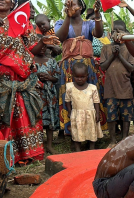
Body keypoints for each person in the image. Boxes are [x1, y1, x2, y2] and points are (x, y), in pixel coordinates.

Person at [0, 0, 60, 163]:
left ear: (12, 4)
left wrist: (43, 42)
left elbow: (33, 48)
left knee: (23, 114)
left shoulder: (21, 21)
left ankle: (24, 155)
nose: (0, 0)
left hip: (21, 78)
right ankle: (2, 155)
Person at [55, 0, 107, 136]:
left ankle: (92, 132)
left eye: (72, 4)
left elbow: (99, 33)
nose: (69, 6)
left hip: (87, 66)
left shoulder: (88, 24)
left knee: (89, 98)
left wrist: (97, 14)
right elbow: (60, 37)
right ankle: (72, 133)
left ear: (81, 6)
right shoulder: (60, 22)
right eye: (67, 4)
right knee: (71, 99)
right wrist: (68, 15)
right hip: (68, 67)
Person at [100, 20, 134, 146]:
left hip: (125, 88)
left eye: (120, 31)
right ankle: (112, 140)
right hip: (110, 89)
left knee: (126, 116)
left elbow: (131, 68)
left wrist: (119, 56)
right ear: (110, 34)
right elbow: (103, 67)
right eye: (114, 31)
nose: (117, 34)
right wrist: (113, 55)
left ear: (125, 33)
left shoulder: (129, 48)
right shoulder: (106, 48)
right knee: (111, 116)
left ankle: (124, 139)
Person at [65, 62, 103, 152]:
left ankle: (91, 149)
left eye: (82, 77)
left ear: (87, 75)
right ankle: (78, 150)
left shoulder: (92, 88)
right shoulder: (70, 87)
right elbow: (67, 100)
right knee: (77, 131)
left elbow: (96, 101)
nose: (80, 79)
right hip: (76, 114)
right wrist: (70, 112)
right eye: (77, 77)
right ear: (73, 75)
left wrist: (97, 113)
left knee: (91, 130)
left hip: (90, 114)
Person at [34, 43, 61, 155]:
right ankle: (38, 147)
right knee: (37, 120)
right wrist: (36, 77)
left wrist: (49, 78)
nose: (42, 49)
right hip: (35, 95)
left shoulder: (51, 61)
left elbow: (57, 78)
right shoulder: (31, 60)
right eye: (40, 46)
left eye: (44, 47)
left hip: (49, 96)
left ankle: (49, 145)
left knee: (49, 120)